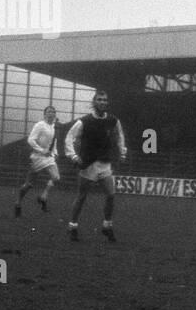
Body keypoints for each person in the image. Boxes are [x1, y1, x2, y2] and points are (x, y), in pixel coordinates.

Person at [64, 90, 128, 242]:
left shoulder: (113, 120)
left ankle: (107, 226)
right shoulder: (84, 121)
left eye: (105, 100)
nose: (102, 102)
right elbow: (69, 138)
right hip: (88, 164)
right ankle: (72, 226)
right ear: (94, 102)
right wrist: (73, 156)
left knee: (111, 195)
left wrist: (122, 152)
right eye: (99, 99)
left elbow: (120, 136)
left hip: (105, 163)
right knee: (82, 197)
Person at [15, 105, 59, 217]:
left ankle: (43, 196)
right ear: (45, 114)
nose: (52, 113)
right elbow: (31, 140)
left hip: (49, 157)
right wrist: (42, 150)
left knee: (56, 177)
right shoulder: (40, 125)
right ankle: (18, 203)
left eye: (53, 112)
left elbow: (54, 142)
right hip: (37, 157)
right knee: (28, 185)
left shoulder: (54, 127)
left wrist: (55, 153)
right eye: (49, 112)